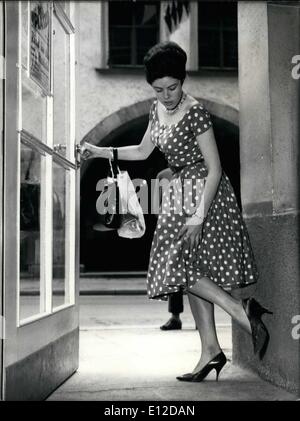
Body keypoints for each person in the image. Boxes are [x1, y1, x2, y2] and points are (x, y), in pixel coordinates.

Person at [81, 41, 273, 382]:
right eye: (159, 89)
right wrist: (99, 150)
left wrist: (198, 216)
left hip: (204, 194)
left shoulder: (196, 112)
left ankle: (241, 312)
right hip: (179, 192)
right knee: (190, 269)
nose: (167, 95)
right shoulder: (157, 109)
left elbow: (214, 167)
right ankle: (211, 351)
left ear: (183, 82)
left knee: (175, 265)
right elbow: (142, 152)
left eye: (173, 87)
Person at [155, 167, 184, 331]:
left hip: (190, 225)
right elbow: (156, 206)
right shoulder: (162, 175)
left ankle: (198, 318)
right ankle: (175, 316)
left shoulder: (195, 171)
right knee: (174, 272)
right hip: (172, 229)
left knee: (194, 271)